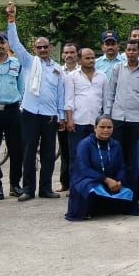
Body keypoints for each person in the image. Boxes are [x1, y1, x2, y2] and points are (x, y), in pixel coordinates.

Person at [5, 3, 66, 202]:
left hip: (50, 115)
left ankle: (45, 188)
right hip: (30, 113)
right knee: (29, 152)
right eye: (39, 47)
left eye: (45, 47)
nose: (42, 49)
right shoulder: (29, 62)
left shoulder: (58, 69)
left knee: (48, 154)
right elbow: (14, 44)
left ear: (50, 48)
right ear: (34, 49)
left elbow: (60, 94)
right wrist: (11, 20)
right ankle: (28, 189)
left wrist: (61, 117)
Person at [65, 116, 139, 221]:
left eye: (109, 127)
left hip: (112, 182)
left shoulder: (115, 144)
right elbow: (84, 169)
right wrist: (106, 180)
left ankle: (106, 208)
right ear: (95, 128)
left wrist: (119, 181)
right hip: (89, 180)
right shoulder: (85, 144)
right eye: (102, 127)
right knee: (90, 189)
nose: (106, 130)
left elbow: (121, 167)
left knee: (130, 192)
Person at [104, 39, 139, 167]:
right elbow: (110, 92)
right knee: (117, 151)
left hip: (137, 118)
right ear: (125, 51)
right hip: (117, 117)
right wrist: (107, 114)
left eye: (134, 50)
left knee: (134, 153)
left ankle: (132, 177)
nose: (131, 53)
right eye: (128, 50)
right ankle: (118, 177)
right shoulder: (117, 68)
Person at [0, 31, 23, 199]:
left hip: (13, 111)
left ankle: (15, 184)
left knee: (16, 150)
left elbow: (21, 87)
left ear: (8, 45)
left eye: (2, 42)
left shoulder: (17, 63)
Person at [64, 46, 105, 195]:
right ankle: (74, 187)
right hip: (77, 122)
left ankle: (93, 186)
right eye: (87, 58)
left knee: (95, 156)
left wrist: (104, 122)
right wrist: (69, 120)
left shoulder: (102, 76)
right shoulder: (72, 77)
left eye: (93, 57)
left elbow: (106, 100)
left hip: (96, 123)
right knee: (76, 156)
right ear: (79, 60)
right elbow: (68, 99)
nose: (91, 60)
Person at [55, 42, 80, 192]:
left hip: (80, 116)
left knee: (78, 152)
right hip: (62, 117)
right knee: (65, 151)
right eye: (66, 52)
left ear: (77, 54)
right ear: (62, 55)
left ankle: (78, 182)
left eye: (72, 52)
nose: (69, 55)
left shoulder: (82, 70)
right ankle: (65, 182)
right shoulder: (57, 71)